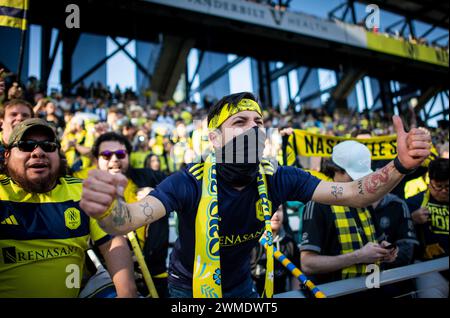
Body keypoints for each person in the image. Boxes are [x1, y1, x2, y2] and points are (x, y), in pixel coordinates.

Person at [80, 92, 431, 298]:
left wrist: (399, 164)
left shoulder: (279, 176)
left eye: (258, 123)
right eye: (240, 123)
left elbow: (356, 193)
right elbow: (129, 218)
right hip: (188, 291)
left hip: (242, 289)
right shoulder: (188, 181)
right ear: (215, 139)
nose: (254, 129)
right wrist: (107, 209)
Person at [0, 118, 137, 298]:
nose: (38, 152)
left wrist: (127, 293)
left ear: (59, 154)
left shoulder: (83, 191)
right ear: (7, 155)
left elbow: (112, 242)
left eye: (48, 146)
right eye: (27, 145)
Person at [300, 141, 398, 289]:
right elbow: (308, 264)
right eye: (354, 176)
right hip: (333, 292)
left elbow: (376, 242)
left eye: (362, 176)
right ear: (335, 170)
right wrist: (358, 256)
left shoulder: (365, 200)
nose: (359, 181)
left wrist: (384, 251)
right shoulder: (317, 204)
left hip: (370, 287)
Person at [91, 132, 169, 297]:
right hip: (112, 281)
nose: (114, 159)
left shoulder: (149, 177)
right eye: (106, 155)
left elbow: (183, 188)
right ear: (96, 160)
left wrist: (158, 195)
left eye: (120, 154)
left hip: (157, 277)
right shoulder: (87, 189)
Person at [407, 158, 449, 298]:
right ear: (429, 182)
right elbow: (397, 231)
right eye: (439, 186)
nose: (444, 191)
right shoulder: (415, 202)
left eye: (448, 186)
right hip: (429, 267)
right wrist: (412, 219)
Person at [251, 204, 300, 294]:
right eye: (270, 209)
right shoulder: (251, 244)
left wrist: (294, 294)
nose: (276, 214)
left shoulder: (289, 243)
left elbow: (295, 276)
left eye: (279, 210)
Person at [0, 99, 34, 170]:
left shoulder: (40, 148)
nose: (20, 118)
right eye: (13, 114)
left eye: (25, 115)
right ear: (1, 122)